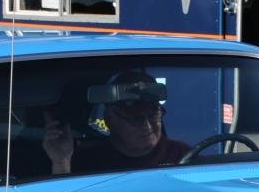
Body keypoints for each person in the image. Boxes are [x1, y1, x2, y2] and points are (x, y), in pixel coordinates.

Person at [43, 70, 190, 176]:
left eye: (153, 115)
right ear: (110, 120)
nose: (147, 126)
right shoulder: (89, 163)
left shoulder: (183, 157)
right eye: (135, 119)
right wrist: (61, 163)